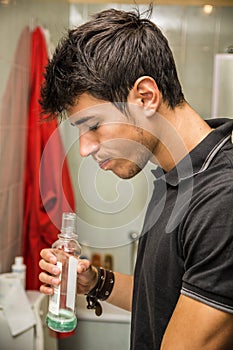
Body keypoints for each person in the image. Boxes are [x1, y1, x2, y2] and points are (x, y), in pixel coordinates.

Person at [38, 6, 233, 350]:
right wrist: (94, 281)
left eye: (93, 125)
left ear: (145, 97)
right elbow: (162, 297)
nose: (84, 149)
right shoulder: (177, 175)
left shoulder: (222, 201)